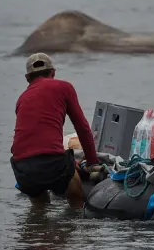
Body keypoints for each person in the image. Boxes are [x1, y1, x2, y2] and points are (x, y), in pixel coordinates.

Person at [11, 53, 99, 208]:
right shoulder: (63, 87)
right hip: (52, 162)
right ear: (53, 73)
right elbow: (82, 128)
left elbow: (33, 138)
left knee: (38, 213)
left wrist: (70, 161)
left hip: (22, 167)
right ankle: (73, 225)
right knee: (77, 203)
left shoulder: (21, 98)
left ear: (27, 78)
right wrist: (92, 163)